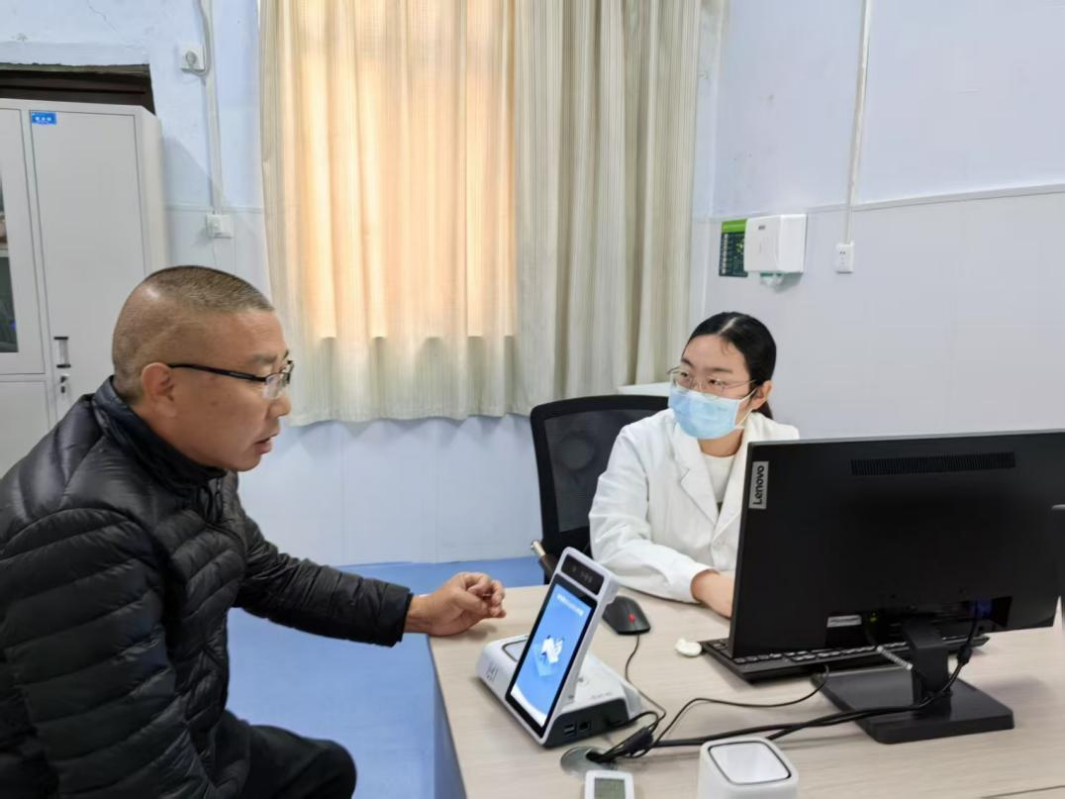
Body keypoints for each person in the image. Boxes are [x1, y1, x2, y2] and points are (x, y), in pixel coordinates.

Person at [0, 266, 506, 799]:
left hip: (189, 728)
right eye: (261, 378)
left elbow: (264, 574)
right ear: (164, 386)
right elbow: (134, 781)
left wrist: (418, 612)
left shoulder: (188, 457)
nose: (283, 403)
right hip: (77, 778)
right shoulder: (79, 533)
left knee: (326, 769)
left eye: (283, 373)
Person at [590, 312, 798, 618]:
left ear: (759, 394)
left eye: (716, 381)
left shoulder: (783, 445)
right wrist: (701, 582)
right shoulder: (641, 440)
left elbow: (798, 547)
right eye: (686, 375)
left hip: (751, 610)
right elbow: (614, 543)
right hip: (660, 608)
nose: (695, 391)